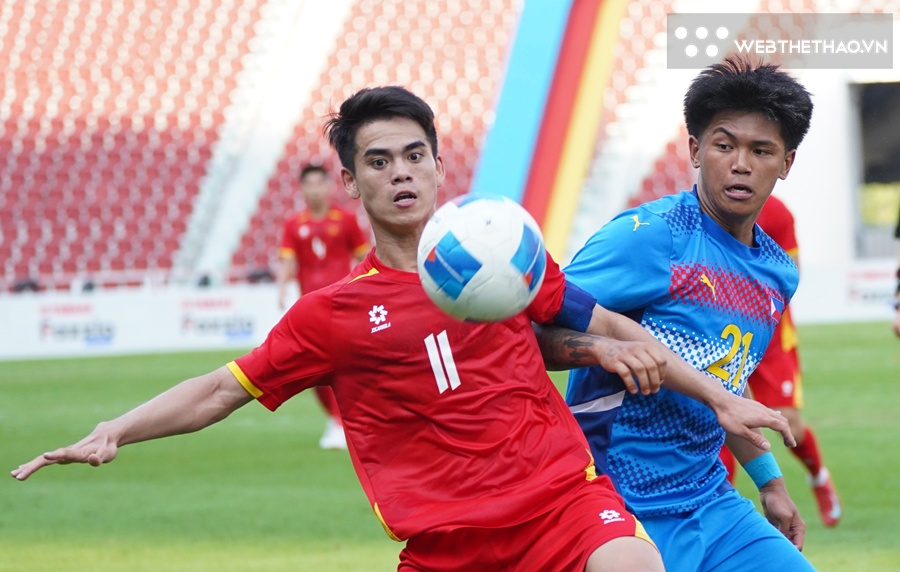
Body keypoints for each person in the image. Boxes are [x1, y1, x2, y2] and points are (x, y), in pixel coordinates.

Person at [11, 85, 794, 572]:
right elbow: (223, 390)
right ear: (351, 182)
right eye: (379, 162)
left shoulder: (506, 249)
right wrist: (115, 430)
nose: (402, 173)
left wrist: (717, 398)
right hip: (448, 544)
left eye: (415, 156)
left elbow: (607, 322)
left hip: (563, 507)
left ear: (440, 165)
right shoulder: (331, 317)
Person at [545, 57, 817, 571]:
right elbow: (535, 328)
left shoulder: (777, 273)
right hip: (618, 508)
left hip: (712, 503)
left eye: (761, 151)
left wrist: (771, 484)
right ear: (695, 150)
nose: (741, 164)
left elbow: (725, 381)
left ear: (786, 162)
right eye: (724, 145)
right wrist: (606, 348)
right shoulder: (650, 238)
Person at [718, 194, 842, 527]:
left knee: (790, 424)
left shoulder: (776, 212)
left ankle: (818, 476)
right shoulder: (701, 209)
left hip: (770, 334)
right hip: (720, 330)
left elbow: (791, 274)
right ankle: (721, 510)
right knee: (718, 417)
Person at [276, 164, 370, 449]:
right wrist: (282, 287)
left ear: (329, 186)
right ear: (302, 188)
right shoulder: (294, 224)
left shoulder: (346, 220)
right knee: (312, 370)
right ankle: (337, 419)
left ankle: (343, 422)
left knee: (342, 364)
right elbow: (288, 260)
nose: (315, 190)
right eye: (310, 184)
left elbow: (364, 255)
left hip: (343, 303)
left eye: (320, 183)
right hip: (310, 306)